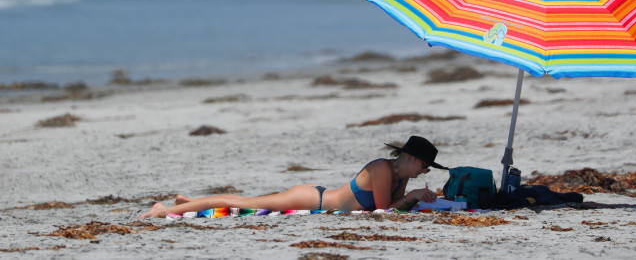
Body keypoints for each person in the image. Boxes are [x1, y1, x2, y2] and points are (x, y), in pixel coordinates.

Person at [139, 136, 445, 218]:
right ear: (409, 158)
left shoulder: (402, 177)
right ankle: (164, 209)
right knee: (245, 204)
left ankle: (188, 202)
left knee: (243, 201)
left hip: (320, 198)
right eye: (423, 165)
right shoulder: (381, 169)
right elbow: (381, 211)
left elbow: (393, 205)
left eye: (426, 169)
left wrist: (417, 197)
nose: (424, 172)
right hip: (313, 199)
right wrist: (410, 199)